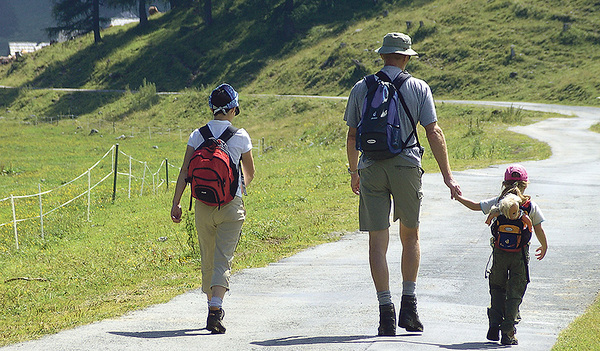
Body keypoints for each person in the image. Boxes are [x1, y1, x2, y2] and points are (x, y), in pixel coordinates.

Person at [344, 32, 461, 336]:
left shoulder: (361, 87)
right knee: (410, 237)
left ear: (382, 56)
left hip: (370, 166)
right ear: (407, 57)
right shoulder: (418, 87)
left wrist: (354, 171)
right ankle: (409, 308)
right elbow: (433, 132)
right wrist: (448, 176)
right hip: (407, 164)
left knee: (377, 242)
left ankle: (385, 313)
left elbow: (352, 136)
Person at [171, 83, 255, 334]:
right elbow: (249, 173)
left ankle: (211, 307)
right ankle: (215, 311)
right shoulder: (241, 136)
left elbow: (185, 171)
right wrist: (236, 190)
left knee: (208, 257)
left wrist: (176, 202)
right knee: (223, 258)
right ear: (233, 110)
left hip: (202, 205)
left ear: (211, 108)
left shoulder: (197, 135)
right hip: (231, 205)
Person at [454, 164, 548, 345]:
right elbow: (538, 229)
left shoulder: (499, 203)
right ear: (525, 185)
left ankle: (494, 323)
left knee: (497, 288)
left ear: (504, 183)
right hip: (519, 256)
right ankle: (508, 332)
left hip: (499, 254)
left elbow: (475, 206)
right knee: (515, 291)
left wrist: (458, 197)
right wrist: (544, 245)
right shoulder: (529, 206)